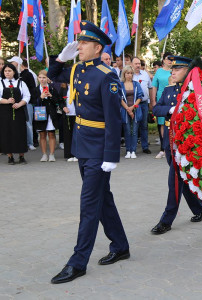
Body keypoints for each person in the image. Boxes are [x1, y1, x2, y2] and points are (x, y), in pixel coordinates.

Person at [48, 21, 130, 284]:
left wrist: (111, 156)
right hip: (82, 144)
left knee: (88, 205)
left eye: (83, 43)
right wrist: (60, 59)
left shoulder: (107, 75)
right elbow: (52, 77)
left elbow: (114, 118)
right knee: (102, 198)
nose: (79, 46)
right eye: (78, 42)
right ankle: (120, 245)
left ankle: (78, 261)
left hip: (98, 149)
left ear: (97, 47)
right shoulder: (78, 69)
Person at [151, 56, 202, 235]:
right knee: (181, 178)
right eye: (172, 69)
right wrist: (168, 110)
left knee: (174, 179)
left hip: (185, 141)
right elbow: (156, 109)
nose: (172, 72)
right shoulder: (168, 90)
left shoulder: (194, 91)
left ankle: (166, 220)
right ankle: (199, 209)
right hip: (170, 138)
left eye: (177, 69)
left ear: (188, 71)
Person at [0, 63, 31, 164]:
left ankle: (21, 156)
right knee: (7, 133)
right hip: (5, 113)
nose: (7, 73)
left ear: (14, 72)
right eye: (5, 71)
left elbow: (27, 96)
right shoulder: (0, 83)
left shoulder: (21, 83)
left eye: (9, 71)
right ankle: (10, 156)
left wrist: (20, 104)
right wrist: (7, 101)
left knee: (20, 133)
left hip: (19, 112)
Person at [34, 70, 61, 162]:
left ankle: (52, 154)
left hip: (51, 114)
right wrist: (40, 98)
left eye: (44, 77)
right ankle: (44, 154)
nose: (42, 79)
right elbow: (33, 103)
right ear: (37, 78)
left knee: (51, 134)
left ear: (47, 78)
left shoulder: (52, 89)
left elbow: (58, 102)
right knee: (42, 134)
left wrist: (51, 96)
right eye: (40, 77)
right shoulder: (36, 90)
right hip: (40, 114)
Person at [151, 52, 173, 159]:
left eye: (172, 59)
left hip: (172, 100)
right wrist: (153, 101)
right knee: (162, 124)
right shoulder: (159, 71)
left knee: (171, 123)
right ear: (163, 60)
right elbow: (154, 86)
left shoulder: (174, 71)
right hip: (161, 99)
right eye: (168, 59)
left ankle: (171, 147)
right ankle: (162, 149)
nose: (170, 61)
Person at [120, 65, 145, 159]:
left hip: (136, 109)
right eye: (127, 73)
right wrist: (128, 109)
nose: (129, 75)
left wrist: (133, 107)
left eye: (131, 73)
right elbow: (119, 98)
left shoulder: (136, 84)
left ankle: (133, 151)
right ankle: (128, 151)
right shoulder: (120, 84)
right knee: (127, 131)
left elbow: (140, 97)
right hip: (124, 109)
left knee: (134, 131)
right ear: (124, 74)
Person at [59, 83, 78, 161]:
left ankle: (77, 154)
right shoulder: (63, 87)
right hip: (67, 114)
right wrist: (63, 107)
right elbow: (60, 100)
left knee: (76, 134)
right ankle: (69, 154)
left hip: (76, 114)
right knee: (67, 134)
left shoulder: (77, 86)